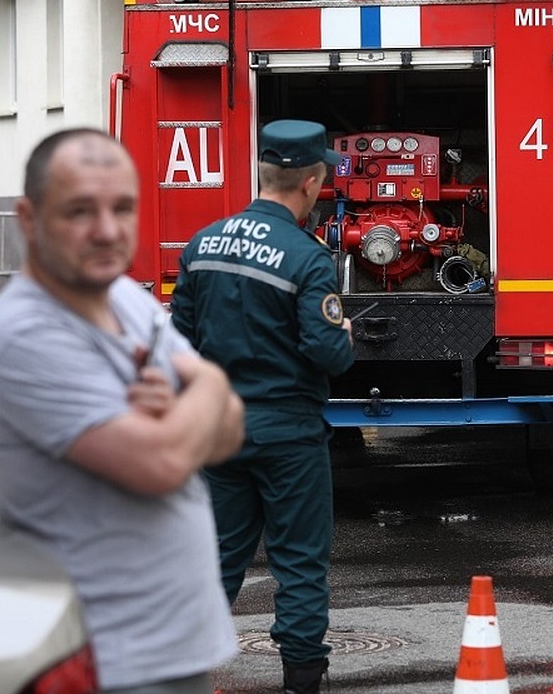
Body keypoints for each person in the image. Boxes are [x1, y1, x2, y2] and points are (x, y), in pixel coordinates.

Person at [0, 128, 245, 693]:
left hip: (171, 647)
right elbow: (163, 463)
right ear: (29, 218)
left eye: (123, 208)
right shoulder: (24, 334)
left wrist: (193, 411)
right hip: (101, 660)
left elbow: (231, 431)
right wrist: (211, 383)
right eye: (79, 211)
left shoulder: (125, 297)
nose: (107, 230)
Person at [172, 119, 355, 694]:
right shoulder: (307, 258)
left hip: (218, 429)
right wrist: (344, 333)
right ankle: (301, 681)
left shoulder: (202, 245)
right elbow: (328, 353)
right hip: (288, 435)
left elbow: (178, 344)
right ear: (311, 184)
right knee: (299, 563)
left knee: (216, 560)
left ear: (263, 175)